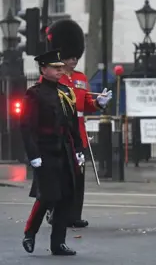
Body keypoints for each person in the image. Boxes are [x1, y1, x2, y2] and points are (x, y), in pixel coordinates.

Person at [44, 19, 113, 228]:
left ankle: (74, 215)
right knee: (61, 178)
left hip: (79, 136)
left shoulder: (81, 78)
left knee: (78, 177)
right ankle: (54, 211)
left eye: (75, 56)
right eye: (69, 57)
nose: (74, 60)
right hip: (60, 134)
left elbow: (84, 105)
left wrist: (98, 103)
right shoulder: (54, 78)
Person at [21, 50, 85, 256]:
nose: (60, 71)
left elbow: (72, 124)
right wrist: (33, 155)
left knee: (66, 196)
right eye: (55, 68)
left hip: (65, 151)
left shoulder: (66, 92)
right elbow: (27, 126)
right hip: (45, 151)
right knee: (47, 196)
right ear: (43, 69)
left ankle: (58, 243)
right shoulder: (35, 93)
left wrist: (79, 148)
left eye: (60, 67)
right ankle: (30, 233)